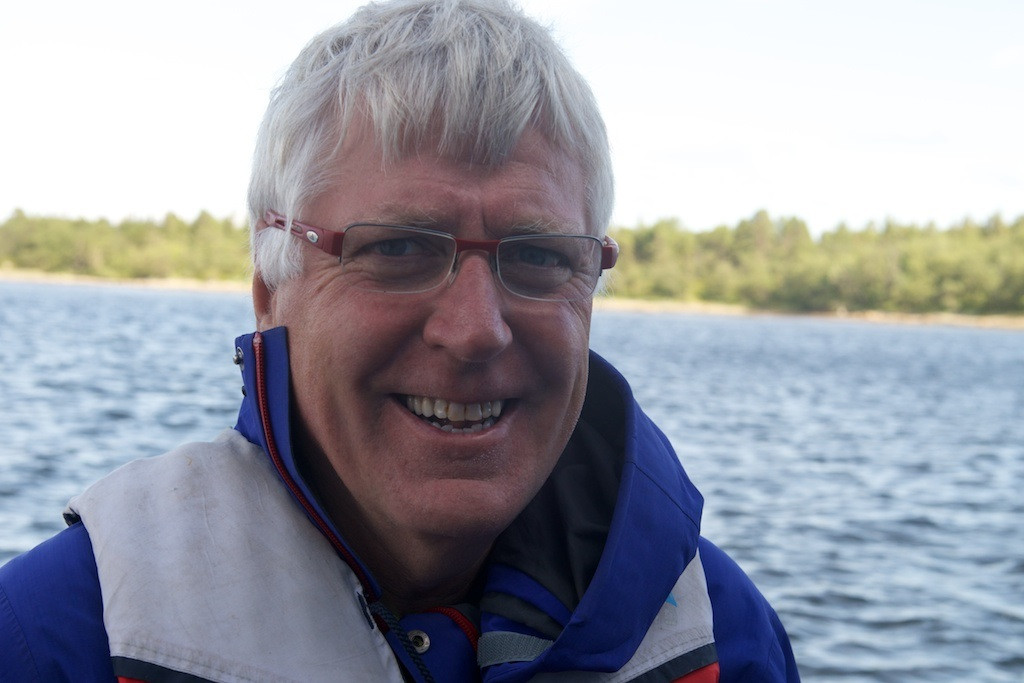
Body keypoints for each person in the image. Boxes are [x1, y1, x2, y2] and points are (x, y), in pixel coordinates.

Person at [0, 1, 799, 680]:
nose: (475, 329)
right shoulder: (60, 636)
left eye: (538, 256)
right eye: (398, 248)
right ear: (270, 293)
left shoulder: (724, 637)